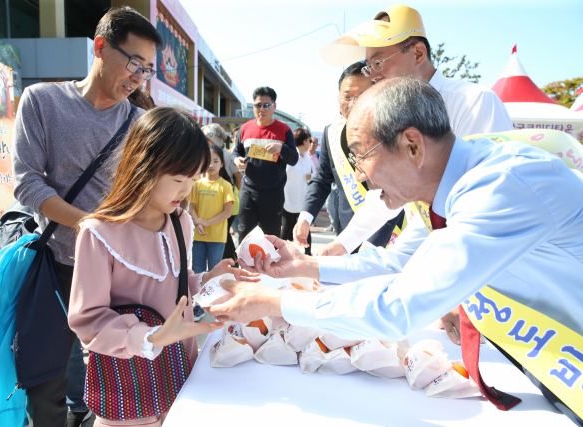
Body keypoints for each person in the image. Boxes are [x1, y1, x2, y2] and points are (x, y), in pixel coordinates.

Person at [209, 76, 583, 425]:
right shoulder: (452, 181)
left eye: (361, 155)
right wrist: (307, 266)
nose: (358, 175)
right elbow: (400, 262)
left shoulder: (499, 186)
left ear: (412, 145)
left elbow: (398, 306)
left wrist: (271, 303)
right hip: (550, 358)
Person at [12, 6, 158, 426]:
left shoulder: (141, 124)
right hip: (57, 266)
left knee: (117, 385)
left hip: (120, 274)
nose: (138, 77)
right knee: (46, 388)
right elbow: (28, 184)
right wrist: (90, 228)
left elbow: (148, 195)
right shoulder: (42, 100)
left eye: (147, 71)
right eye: (134, 63)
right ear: (99, 47)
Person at [69, 107, 256, 427]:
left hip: (180, 372)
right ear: (143, 167)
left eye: (193, 179)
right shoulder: (98, 233)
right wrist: (150, 337)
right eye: (179, 179)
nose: (186, 191)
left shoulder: (180, 221)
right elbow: (87, 319)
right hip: (128, 385)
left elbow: (172, 283)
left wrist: (208, 279)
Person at [315, 4, 513, 257]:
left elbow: (490, 197)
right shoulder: (392, 112)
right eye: (368, 66)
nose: (373, 76)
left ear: (418, 54)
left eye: (379, 62)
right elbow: (392, 190)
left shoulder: (473, 103)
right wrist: (342, 245)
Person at [294, 62, 401, 250]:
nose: (353, 104)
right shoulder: (332, 133)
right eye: (347, 96)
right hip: (347, 230)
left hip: (388, 231)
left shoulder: (395, 133)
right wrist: (305, 217)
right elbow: (321, 180)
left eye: (362, 96)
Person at [231, 86, 298, 242]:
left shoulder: (284, 130)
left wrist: (282, 148)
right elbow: (236, 152)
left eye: (267, 105)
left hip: (273, 194)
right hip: (248, 190)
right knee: (245, 234)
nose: (262, 109)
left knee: (271, 237)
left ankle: (270, 266)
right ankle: (245, 266)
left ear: (274, 106)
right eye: (258, 105)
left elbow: (294, 159)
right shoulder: (245, 128)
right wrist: (236, 160)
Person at [187, 145, 235, 321]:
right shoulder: (196, 184)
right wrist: (198, 221)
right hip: (198, 236)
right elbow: (191, 208)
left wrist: (206, 222)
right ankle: (199, 305)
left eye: (216, 161)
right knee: (198, 271)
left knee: (215, 270)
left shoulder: (225, 186)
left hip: (216, 236)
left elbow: (227, 212)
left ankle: (216, 303)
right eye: (208, 161)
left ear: (222, 164)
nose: (211, 165)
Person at [202, 124, 242, 262]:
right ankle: (229, 261)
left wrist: (234, 193)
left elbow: (239, 177)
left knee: (223, 232)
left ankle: (231, 261)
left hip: (227, 201)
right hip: (212, 200)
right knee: (221, 232)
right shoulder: (205, 153)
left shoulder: (227, 155)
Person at [280, 127, 315, 255]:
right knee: (286, 228)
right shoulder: (291, 156)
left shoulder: (308, 158)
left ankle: (308, 252)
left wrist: (311, 177)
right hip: (288, 198)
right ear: (303, 141)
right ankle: (279, 252)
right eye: (309, 140)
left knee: (305, 227)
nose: (310, 143)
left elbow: (315, 175)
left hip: (303, 200)